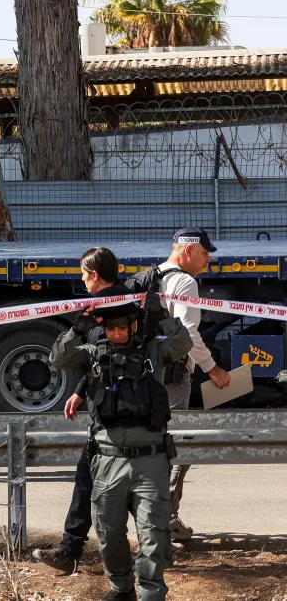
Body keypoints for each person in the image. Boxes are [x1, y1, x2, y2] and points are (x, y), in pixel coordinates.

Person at [50, 290, 194, 601]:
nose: (117, 334)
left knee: (153, 535)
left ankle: (152, 593)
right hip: (107, 460)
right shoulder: (92, 353)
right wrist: (77, 328)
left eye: (122, 328)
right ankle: (121, 589)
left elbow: (184, 344)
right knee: (109, 534)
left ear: (132, 326)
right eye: (111, 328)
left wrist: (162, 316)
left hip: (150, 459)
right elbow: (59, 358)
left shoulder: (153, 351)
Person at [32, 246, 130, 574]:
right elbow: (99, 360)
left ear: (96, 276)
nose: (81, 279)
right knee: (92, 478)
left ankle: (77, 549)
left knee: (110, 483)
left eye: (84, 274)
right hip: (110, 409)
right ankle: (71, 549)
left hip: (118, 413)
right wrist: (79, 390)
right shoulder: (120, 301)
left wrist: (78, 327)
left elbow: (101, 359)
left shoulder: (109, 310)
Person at [155, 227, 231, 541]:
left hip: (149, 373)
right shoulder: (185, 281)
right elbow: (187, 334)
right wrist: (213, 369)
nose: (208, 259)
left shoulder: (154, 275)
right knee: (177, 448)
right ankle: (165, 522)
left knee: (153, 448)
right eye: (205, 253)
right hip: (174, 377)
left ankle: (156, 522)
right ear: (188, 251)